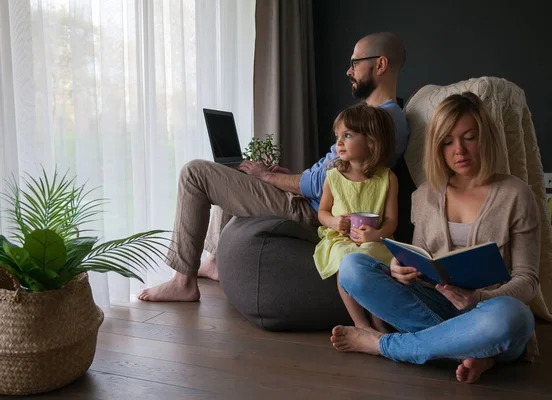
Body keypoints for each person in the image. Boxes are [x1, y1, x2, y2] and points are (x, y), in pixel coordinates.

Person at [138, 32, 410, 302]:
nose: (349, 70)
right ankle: (213, 261)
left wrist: (268, 177)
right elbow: (332, 173)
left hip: (314, 211)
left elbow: (322, 183)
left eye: (355, 63)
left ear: (380, 65)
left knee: (194, 172)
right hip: (310, 200)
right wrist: (279, 177)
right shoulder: (376, 117)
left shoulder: (382, 121)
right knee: (235, 172)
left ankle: (183, 281)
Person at [330, 92, 539, 384]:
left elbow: (528, 281)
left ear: (485, 138)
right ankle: (475, 352)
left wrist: (480, 297)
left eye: (469, 137)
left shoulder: (516, 194)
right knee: (353, 268)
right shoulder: (425, 196)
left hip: (490, 313)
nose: (459, 151)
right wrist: (399, 269)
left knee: (513, 317)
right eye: (447, 141)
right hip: (437, 305)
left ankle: (382, 346)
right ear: (436, 147)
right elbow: (422, 261)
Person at [313, 103, 398, 334]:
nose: (338, 142)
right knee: (345, 259)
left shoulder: (387, 178)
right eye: (338, 136)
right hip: (341, 239)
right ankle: (360, 324)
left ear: (371, 141)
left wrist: (377, 234)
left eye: (347, 135)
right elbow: (322, 213)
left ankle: (378, 319)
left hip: (374, 239)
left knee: (379, 259)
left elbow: (391, 221)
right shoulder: (333, 177)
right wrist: (334, 221)